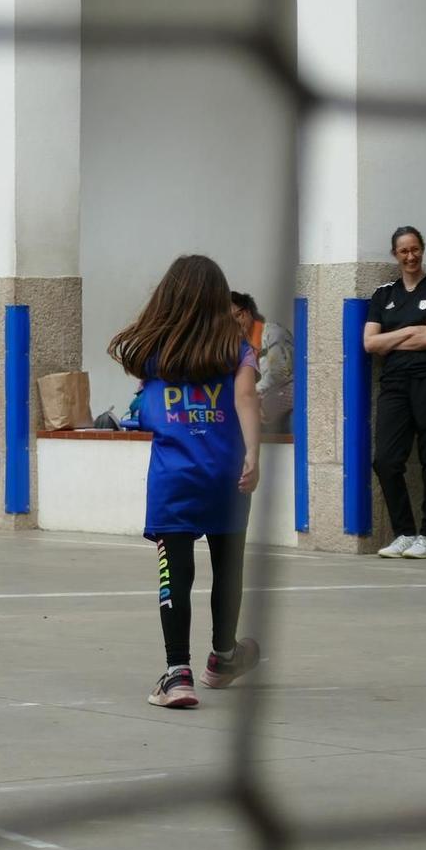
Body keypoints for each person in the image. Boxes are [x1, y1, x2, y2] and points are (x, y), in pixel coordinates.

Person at [109, 255, 262, 709]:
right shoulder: (238, 349)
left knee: (175, 573)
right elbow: (247, 398)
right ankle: (224, 655)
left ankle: (178, 674)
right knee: (228, 569)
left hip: (173, 479)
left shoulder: (151, 352)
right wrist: (253, 454)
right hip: (226, 475)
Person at [364, 227, 426, 559]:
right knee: (385, 460)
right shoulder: (383, 294)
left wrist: (393, 338)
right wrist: (410, 330)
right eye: (404, 251)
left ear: (422, 250)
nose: (411, 256)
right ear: (395, 255)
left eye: (415, 249)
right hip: (394, 385)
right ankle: (404, 532)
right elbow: (370, 343)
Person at [231, 292, 294, 434]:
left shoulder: (273, 334)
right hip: (262, 400)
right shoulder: (239, 345)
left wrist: (248, 395)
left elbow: (278, 375)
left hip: (286, 393)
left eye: (229, 320)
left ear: (244, 314)